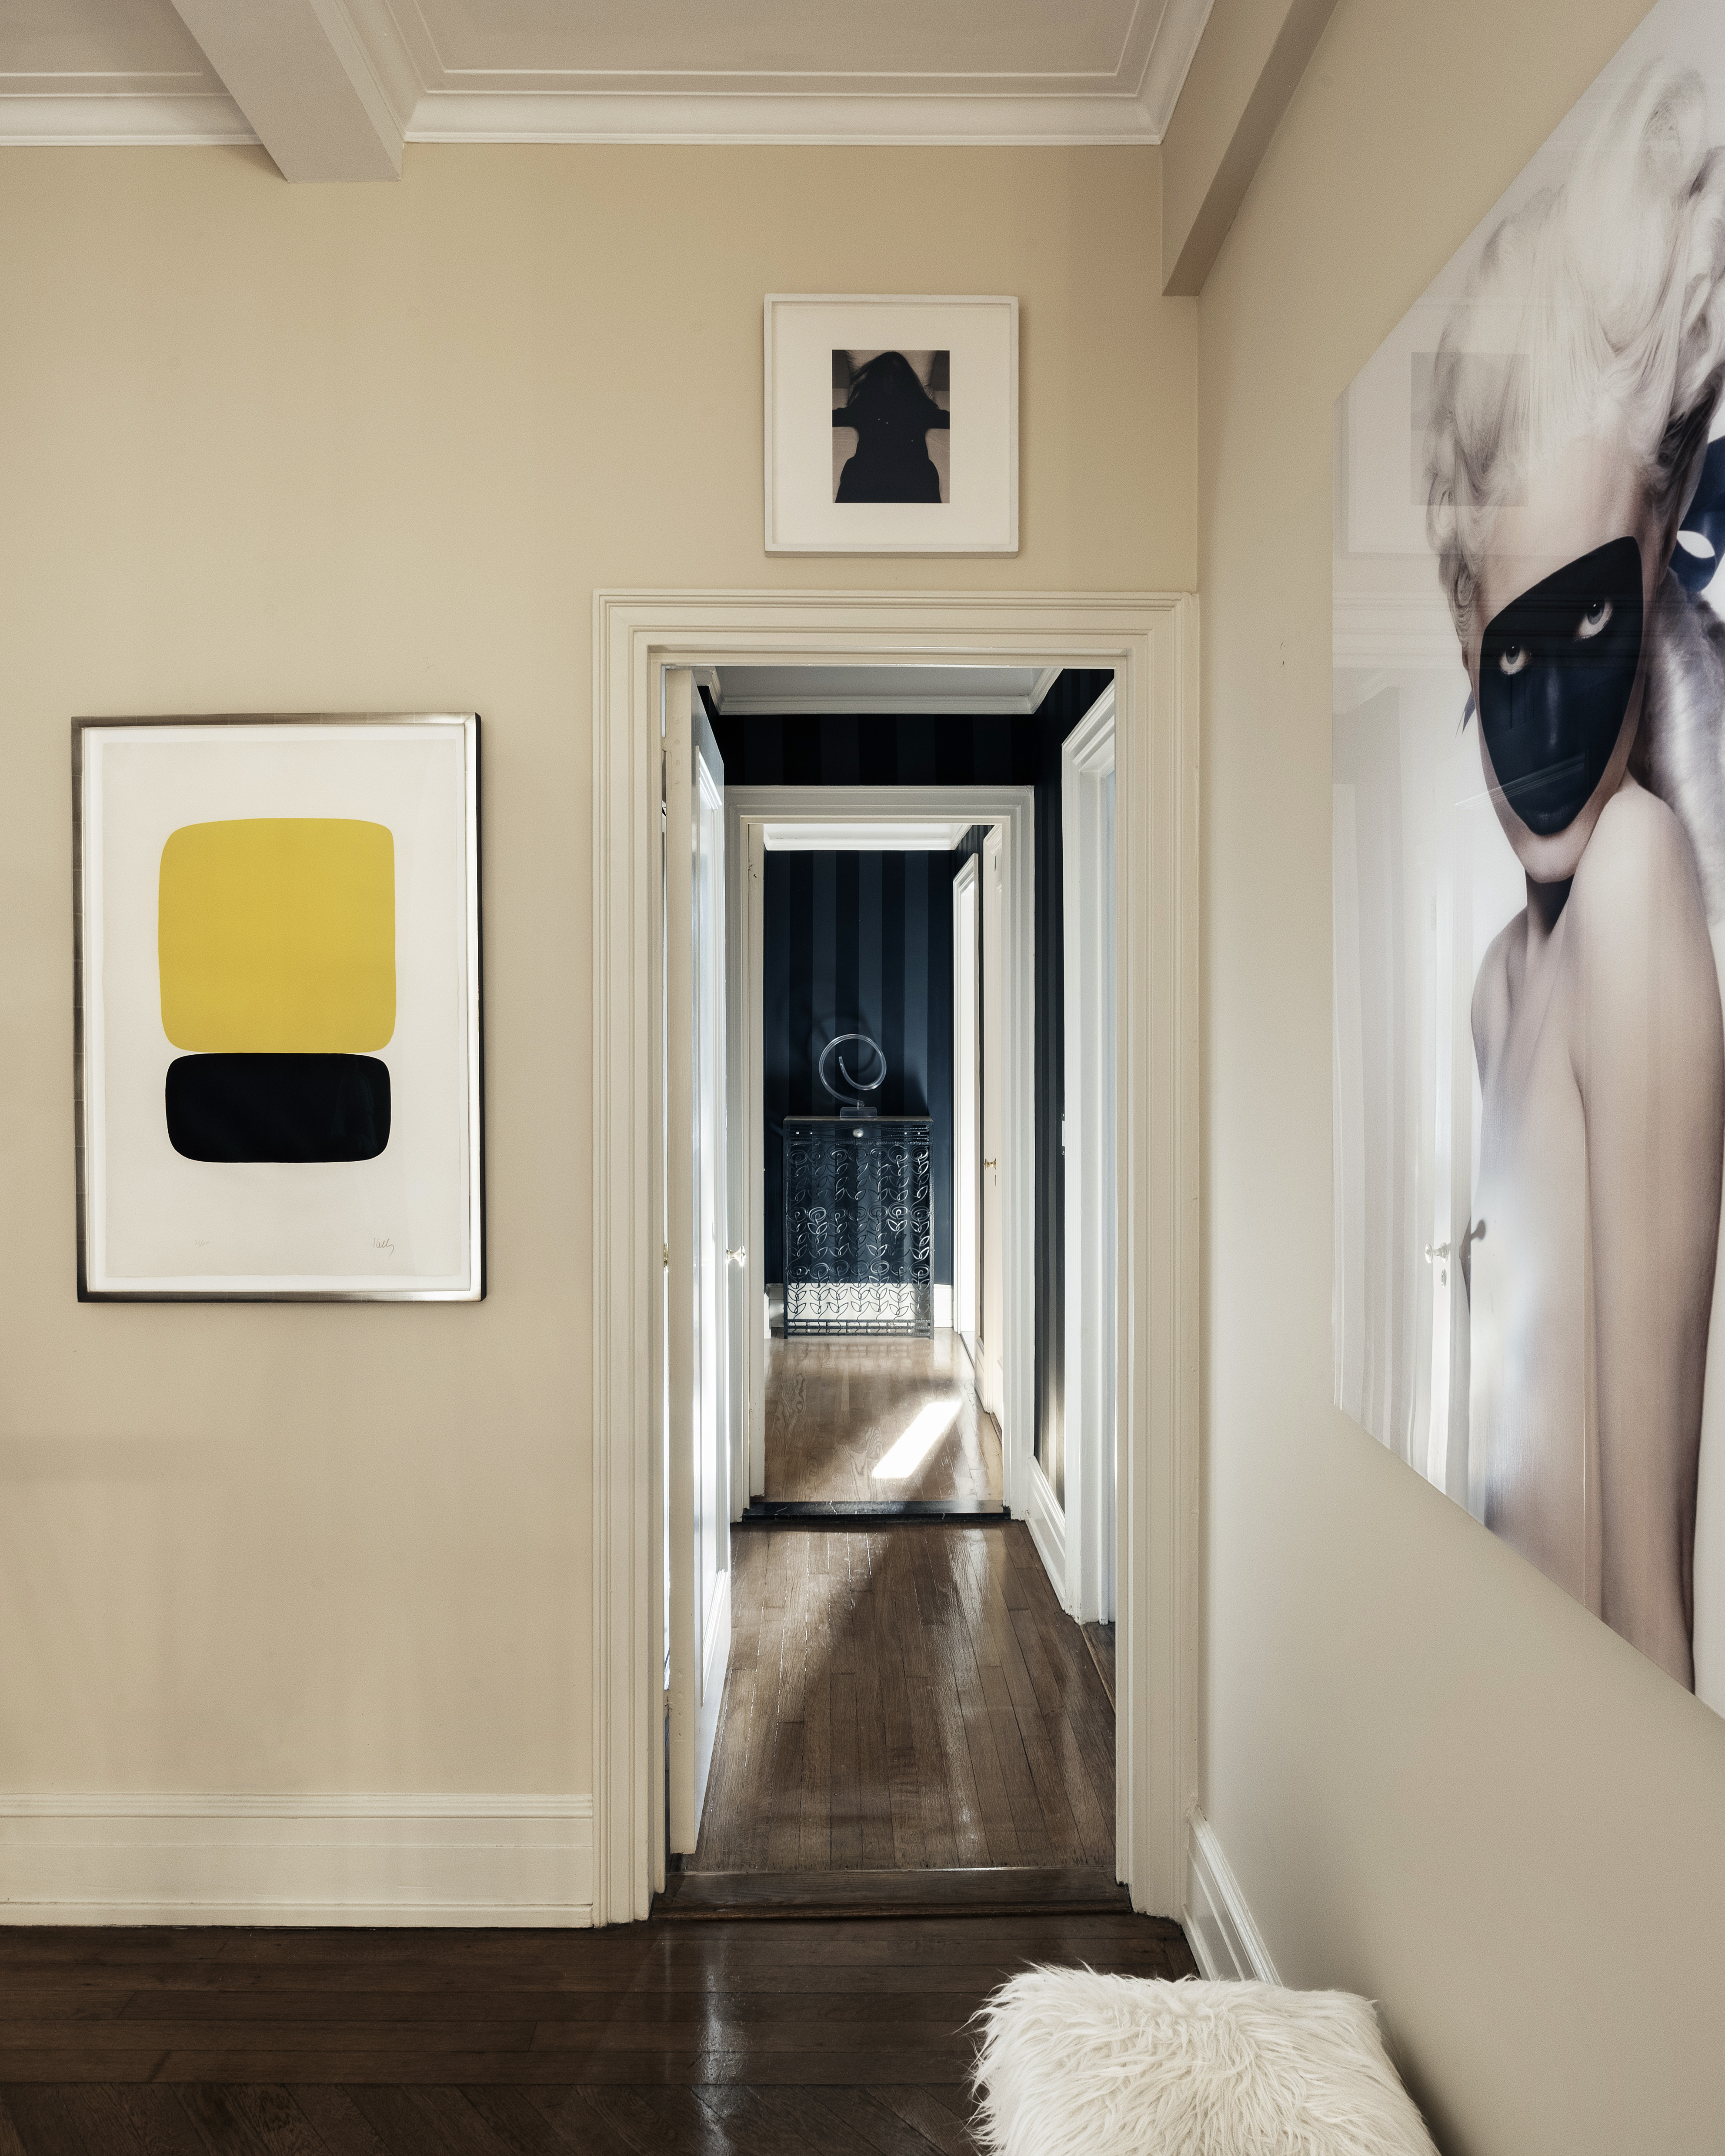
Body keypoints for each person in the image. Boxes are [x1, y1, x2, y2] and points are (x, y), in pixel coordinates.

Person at [1424, 62, 1725, 1689]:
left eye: (1595, 620)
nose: (1545, 720)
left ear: (1655, 553)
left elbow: (1650, 1610)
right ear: (1464, 636)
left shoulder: (1633, 880)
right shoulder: (1498, 981)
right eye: (1512, 651)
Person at [834, 351, 949, 503]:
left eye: (896, 375)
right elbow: (833, 417)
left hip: (912, 473)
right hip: (869, 473)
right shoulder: (865, 407)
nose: (891, 380)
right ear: (878, 378)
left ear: (904, 379)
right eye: (886, 375)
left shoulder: (919, 408)